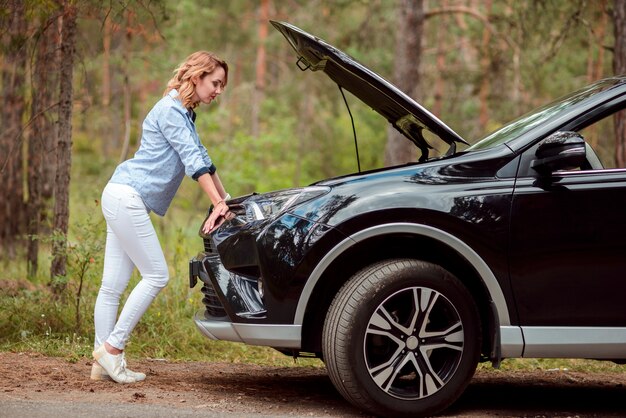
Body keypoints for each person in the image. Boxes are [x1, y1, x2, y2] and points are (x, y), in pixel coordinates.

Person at [91, 51, 231, 384]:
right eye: (215, 83)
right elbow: (191, 161)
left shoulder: (184, 114)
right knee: (157, 275)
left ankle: (101, 364)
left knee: (112, 287)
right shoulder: (170, 110)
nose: (218, 91)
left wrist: (225, 201)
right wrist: (217, 204)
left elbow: (204, 161)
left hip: (122, 194)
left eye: (223, 85)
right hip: (127, 196)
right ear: (196, 77)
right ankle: (112, 350)